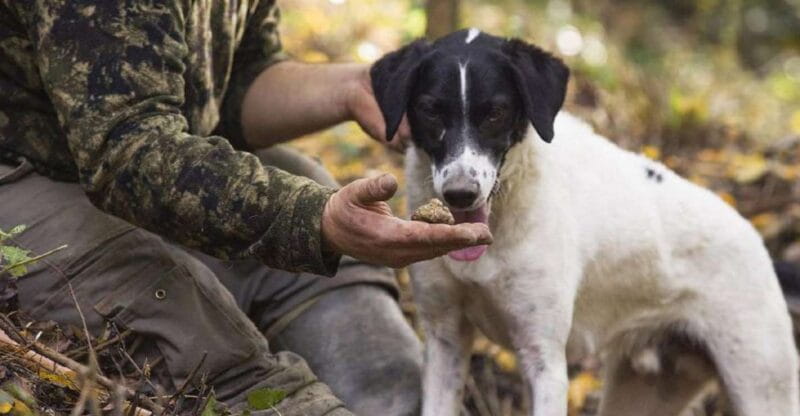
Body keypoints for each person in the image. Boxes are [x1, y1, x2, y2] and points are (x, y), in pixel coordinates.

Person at [0, 1, 492, 415]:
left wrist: (349, 88)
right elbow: (127, 151)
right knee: (202, 344)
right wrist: (312, 219)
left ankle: (399, 401)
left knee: (315, 195)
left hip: (112, 159)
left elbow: (231, 86)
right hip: (20, 177)